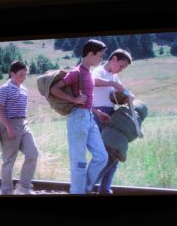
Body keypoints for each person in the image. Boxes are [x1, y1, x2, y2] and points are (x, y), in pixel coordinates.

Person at [49, 39, 109, 194]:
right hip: (77, 118)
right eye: (100, 56)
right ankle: (78, 191)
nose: (101, 59)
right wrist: (73, 99)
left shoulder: (88, 73)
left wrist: (96, 112)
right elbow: (55, 89)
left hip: (89, 117)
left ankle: (85, 188)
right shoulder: (76, 72)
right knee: (79, 162)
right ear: (90, 54)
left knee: (102, 156)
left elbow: (87, 99)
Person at [91, 48, 133, 194]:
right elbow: (93, 82)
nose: (121, 70)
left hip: (110, 114)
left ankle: (105, 188)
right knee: (104, 154)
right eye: (121, 65)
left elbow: (116, 95)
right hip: (98, 114)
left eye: (124, 68)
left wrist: (127, 97)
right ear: (114, 59)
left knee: (114, 152)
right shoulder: (99, 71)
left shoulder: (114, 77)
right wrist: (114, 84)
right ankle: (88, 185)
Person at [0, 60, 39, 195]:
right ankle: (7, 192)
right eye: (21, 75)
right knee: (9, 161)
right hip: (9, 125)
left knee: (33, 153)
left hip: (23, 125)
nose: (23, 78)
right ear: (12, 74)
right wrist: (9, 127)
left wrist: (24, 123)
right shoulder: (4, 89)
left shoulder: (24, 89)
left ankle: (24, 188)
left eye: (25, 75)